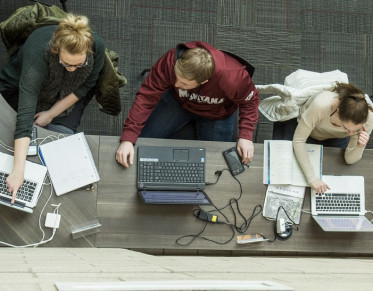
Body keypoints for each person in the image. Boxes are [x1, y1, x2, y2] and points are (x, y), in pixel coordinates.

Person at [0, 14, 105, 203]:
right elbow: (25, 116)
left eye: (78, 65)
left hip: (67, 93)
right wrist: (18, 170)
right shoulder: (38, 56)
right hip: (26, 89)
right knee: (12, 139)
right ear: (57, 50)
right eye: (66, 64)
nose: (72, 69)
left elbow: (86, 85)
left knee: (62, 141)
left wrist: (51, 114)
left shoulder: (97, 46)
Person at [116, 41, 259, 168]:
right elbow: (147, 97)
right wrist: (128, 138)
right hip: (178, 102)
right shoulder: (171, 61)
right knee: (141, 146)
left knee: (215, 165)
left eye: (184, 83)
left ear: (203, 82)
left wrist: (246, 135)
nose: (176, 84)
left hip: (217, 114)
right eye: (176, 78)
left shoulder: (233, 78)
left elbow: (250, 102)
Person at [286, 83, 373, 193]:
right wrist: (312, 179)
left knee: (337, 174)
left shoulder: (369, 119)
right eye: (346, 128)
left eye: (355, 130)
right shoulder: (320, 105)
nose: (351, 134)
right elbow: (298, 141)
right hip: (309, 131)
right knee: (291, 174)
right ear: (338, 112)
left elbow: (349, 159)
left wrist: (360, 146)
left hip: (336, 138)